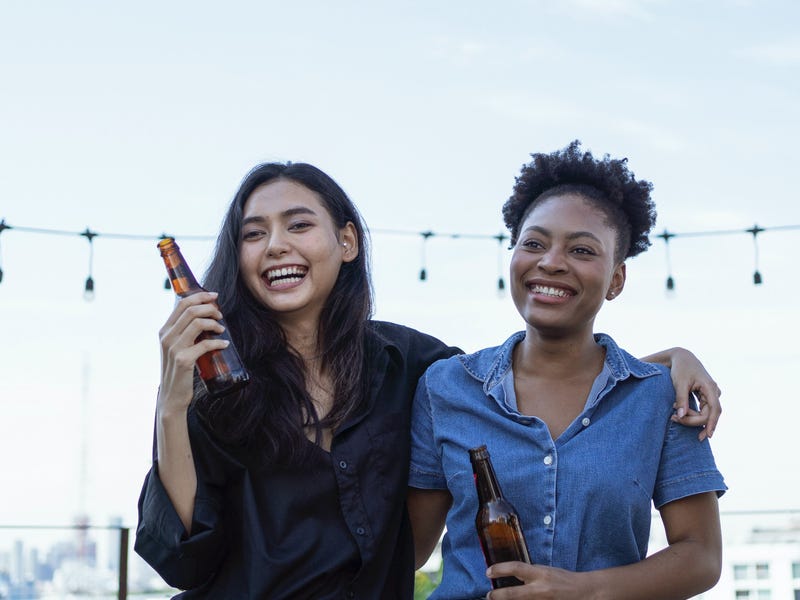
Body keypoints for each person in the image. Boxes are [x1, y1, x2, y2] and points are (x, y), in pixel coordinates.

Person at [134, 161, 722, 599]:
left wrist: (666, 363)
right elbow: (181, 558)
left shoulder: (414, 365)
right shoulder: (216, 380)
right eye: (253, 232)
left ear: (346, 241)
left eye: (297, 224)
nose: (276, 245)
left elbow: (557, 373)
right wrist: (170, 403)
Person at [407, 141, 726, 599]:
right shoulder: (446, 387)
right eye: (534, 243)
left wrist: (584, 590)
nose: (551, 261)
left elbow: (701, 556)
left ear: (616, 279)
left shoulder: (661, 398)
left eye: (581, 250)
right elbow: (410, 548)